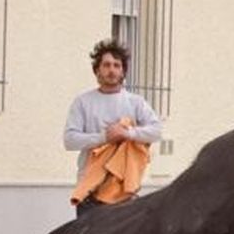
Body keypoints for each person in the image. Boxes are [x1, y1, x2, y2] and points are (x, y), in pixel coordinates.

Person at [63, 39, 162, 216]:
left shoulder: (136, 102)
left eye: (117, 65)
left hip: (124, 192)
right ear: (97, 70)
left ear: (123, 71)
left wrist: (127, 133)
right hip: (90, 193)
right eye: (106, 65)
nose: (112, 70)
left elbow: (156, 131)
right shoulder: (83, 102)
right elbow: (70, 140)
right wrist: (104, 137)